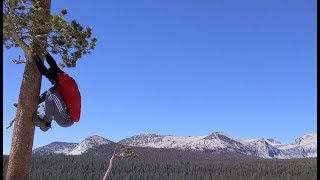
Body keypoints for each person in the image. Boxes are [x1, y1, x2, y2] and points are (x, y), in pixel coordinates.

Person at [32, 51, 81, 132]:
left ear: (54, 77)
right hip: (63, 113)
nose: (51, 82)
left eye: (50, 80)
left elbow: (45, 72)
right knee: (52, 90)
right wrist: (45, 53)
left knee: (51, 94)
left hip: (67, 119)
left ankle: (46, 124)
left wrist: (36, 58)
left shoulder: (67, 82)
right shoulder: (63, 80)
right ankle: (35, 102)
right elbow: (53, 64)